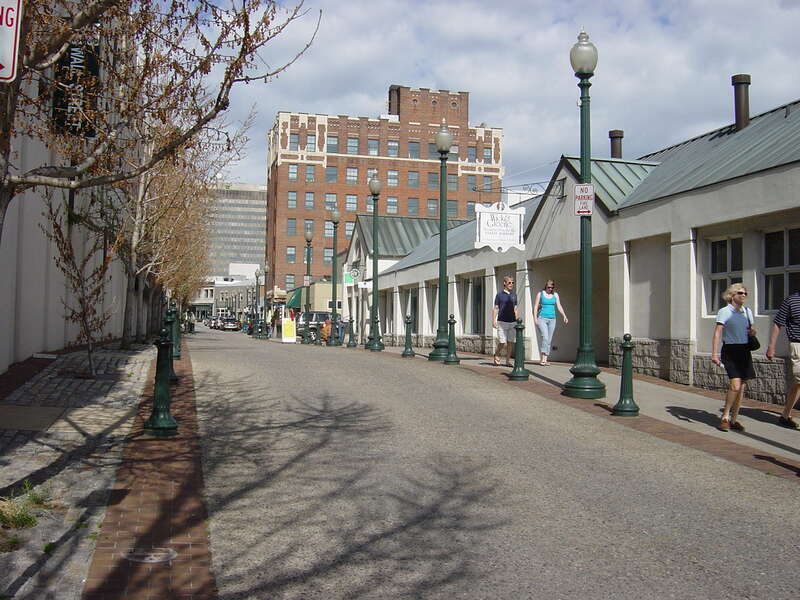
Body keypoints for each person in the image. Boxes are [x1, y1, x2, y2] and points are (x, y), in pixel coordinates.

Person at [711, 283, 757, 432]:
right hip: (730, 350)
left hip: (744, 350)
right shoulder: (724, 311)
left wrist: (752, 332)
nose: (743, 295)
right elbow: (718, 333)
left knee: (742, 387)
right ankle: (725, 417)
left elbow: (752, 330)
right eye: (740, 293)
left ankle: (734, 419)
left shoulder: (747, 312)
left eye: (745, 293)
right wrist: (714, 353)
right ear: (732, 295)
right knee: (735, 386)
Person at [766, 289, 800, 429]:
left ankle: (785, 416)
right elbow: (777, 323)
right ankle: (785, 416)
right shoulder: (791, 300)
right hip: (798, 344)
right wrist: (771, 346)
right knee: (799, 380)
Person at [532, 279, 568, 366]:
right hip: (542, 318)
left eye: (552, 287)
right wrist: (535, 318)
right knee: (545, 337)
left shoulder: (555, 295)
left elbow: (559, 306)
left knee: (549, 339)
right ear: (545, 287)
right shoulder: (540, 294)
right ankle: (543, 358)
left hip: (552, 319)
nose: (550, 289)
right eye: (548, 287)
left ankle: (545, 358)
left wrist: (564, 315)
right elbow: (536, 306)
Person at [492, 275, 518, 366]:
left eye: (512, 283)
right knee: (503, 342)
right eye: (509, 282)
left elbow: (515, 308)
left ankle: (507, 361)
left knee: (510, 342)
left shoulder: (514, 295)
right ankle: (497, 354)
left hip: (512, 322)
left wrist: (517, 320)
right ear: (505, 283)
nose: (511, 284)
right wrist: (493, 320)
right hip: (502, 322)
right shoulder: (499, 295)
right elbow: (496, 308)